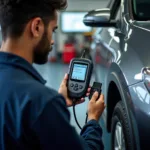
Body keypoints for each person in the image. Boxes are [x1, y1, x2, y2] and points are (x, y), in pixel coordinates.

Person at [0, 0, 105, 150]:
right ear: (36, 27)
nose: (53, 41)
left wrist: (58, 102)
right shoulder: (41, 101)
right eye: (53, 30)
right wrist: (93, 119)